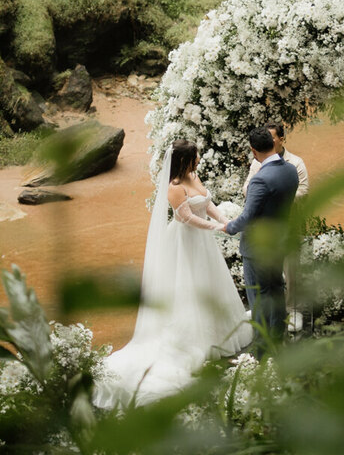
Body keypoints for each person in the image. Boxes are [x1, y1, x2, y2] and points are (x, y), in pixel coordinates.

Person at [93, 139, 252, 408]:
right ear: (185, 160)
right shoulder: (174, 188)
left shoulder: (192, 175)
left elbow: (207, 203)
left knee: (212, 284)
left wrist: (225, 220)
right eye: (196, 156)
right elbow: (186, 218)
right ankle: (194, 340)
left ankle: (220, 333)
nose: (200, 158)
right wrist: (216, 229)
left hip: (203, 243)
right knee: (189, 287)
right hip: (186, 242)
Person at [221, 125, 299, 354]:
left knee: (259, 297)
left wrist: (229, 226)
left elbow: (247, 217)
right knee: (275, 290)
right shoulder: (291, 170)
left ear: (254, 151)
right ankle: (278, 339)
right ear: (273, 144)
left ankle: (261, 350)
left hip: (257, 247)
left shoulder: (260, 180)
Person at [246, 120, 309, 196]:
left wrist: (277, 199)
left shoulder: (296, 163)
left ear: (281, 140)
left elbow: (303, 191)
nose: (268, 142)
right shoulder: (257, 161)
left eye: (271, 139)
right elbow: (246, 187)